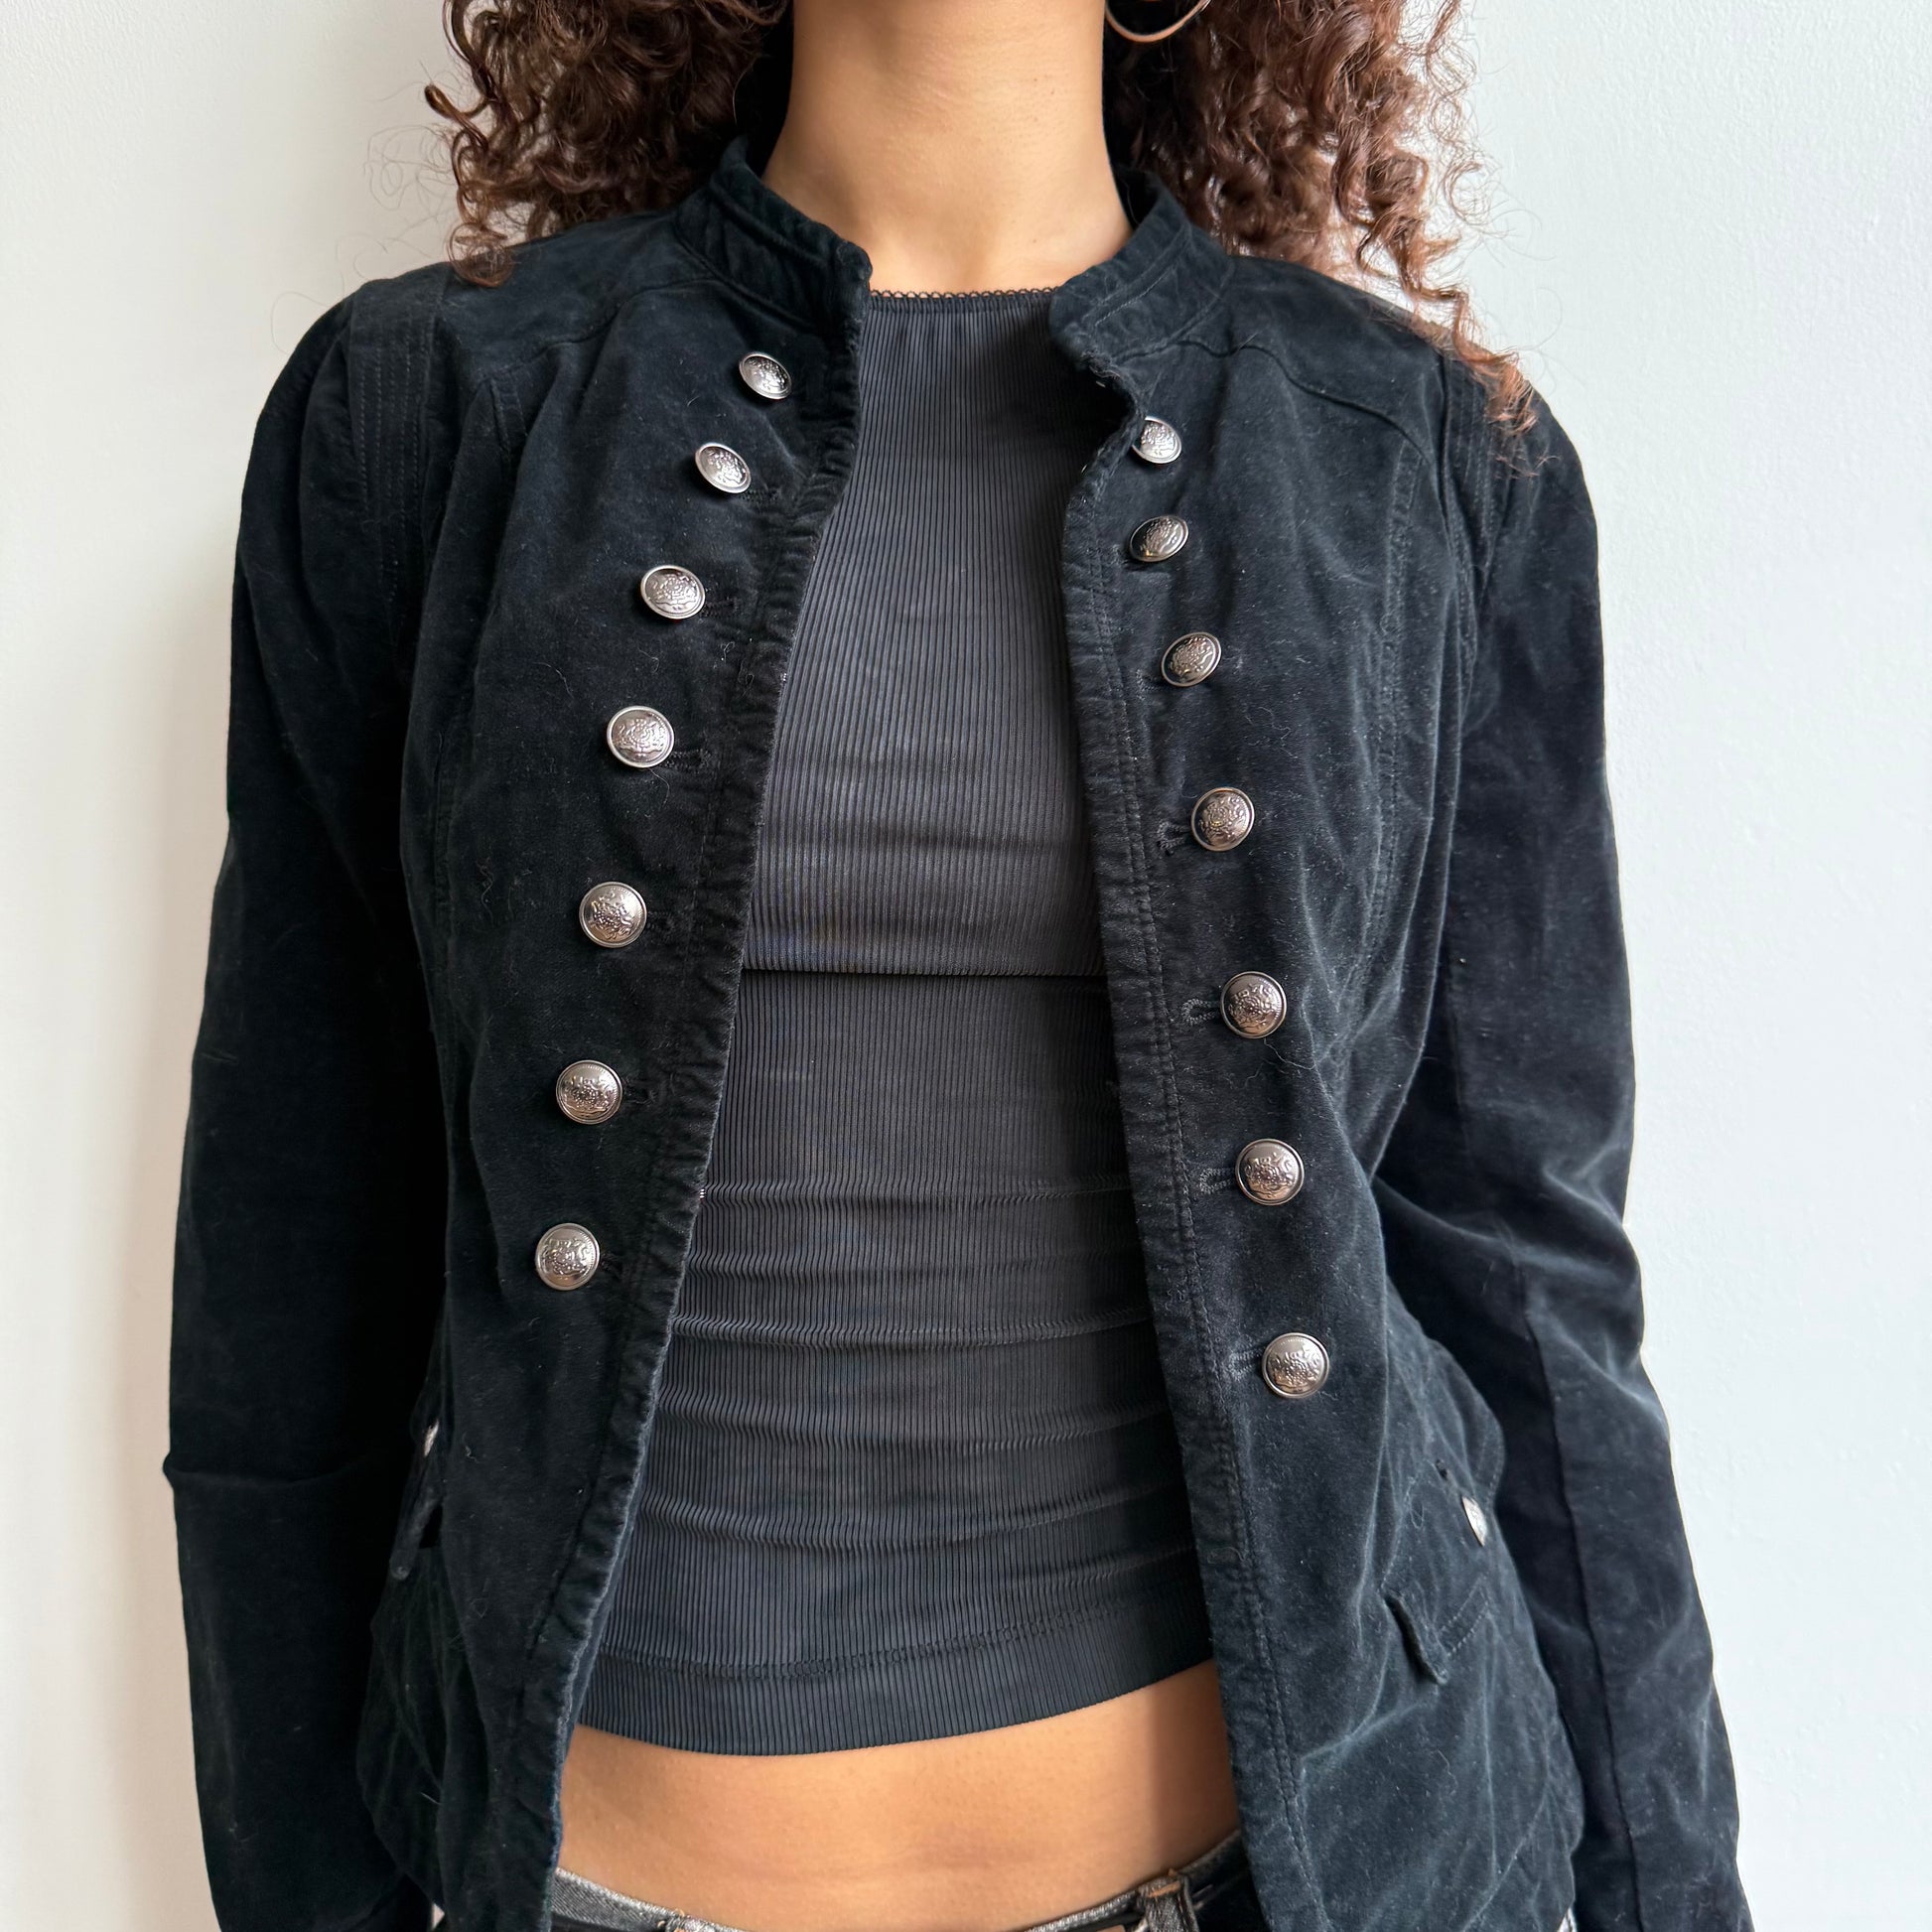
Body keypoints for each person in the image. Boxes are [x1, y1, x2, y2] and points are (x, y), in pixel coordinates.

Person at [166, 1, 1752, 1929]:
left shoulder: (1420, 458)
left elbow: (1525, 1267)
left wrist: (1674, 1890)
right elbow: (285, 1271)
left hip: (1321, 1871)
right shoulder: (426, 409)